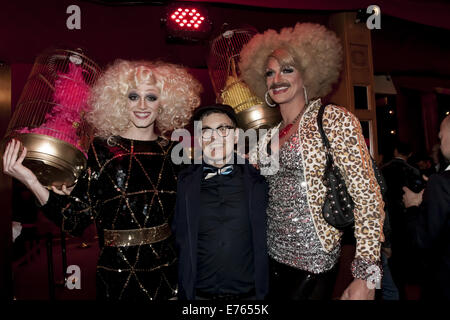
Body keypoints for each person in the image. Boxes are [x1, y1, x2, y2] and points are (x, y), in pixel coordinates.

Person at [3, 59, 202, 301]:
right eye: (132, 96)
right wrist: (31, 180)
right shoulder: (101, 150)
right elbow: (75, 219)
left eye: (151, 97)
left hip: (168, 269)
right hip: (117, 274)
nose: (142, 105)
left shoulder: (173, 152)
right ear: (119, 101)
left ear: (165, 103)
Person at [239, 22, 385, 300]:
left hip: (313, 262)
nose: (276, 79)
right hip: (269, 257)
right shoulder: (267, 136)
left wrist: (367, 277)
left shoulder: (333, 120)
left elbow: (368, 198)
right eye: (269, 73)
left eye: (287, 69)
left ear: (307, 74)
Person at [173, 104, 269, 300]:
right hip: (199, 297)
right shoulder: (182, 184)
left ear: (236, 136)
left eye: (223, 129)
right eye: (206, 131)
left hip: (250, 297)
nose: (214, 137)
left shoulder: (260, 180)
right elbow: (175, 237)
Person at [403, 115, 450, 300]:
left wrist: (413, 206)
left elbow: (421, 242)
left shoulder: (441, 183)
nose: (439, 135)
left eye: (442, 131)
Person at [381, 141, 425, 298]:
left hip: (387, 222)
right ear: (410, 154)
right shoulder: (414, 172)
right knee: (404, 268)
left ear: (395, 151)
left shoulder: (383, 170)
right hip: (407, 223)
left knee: (388, 270)